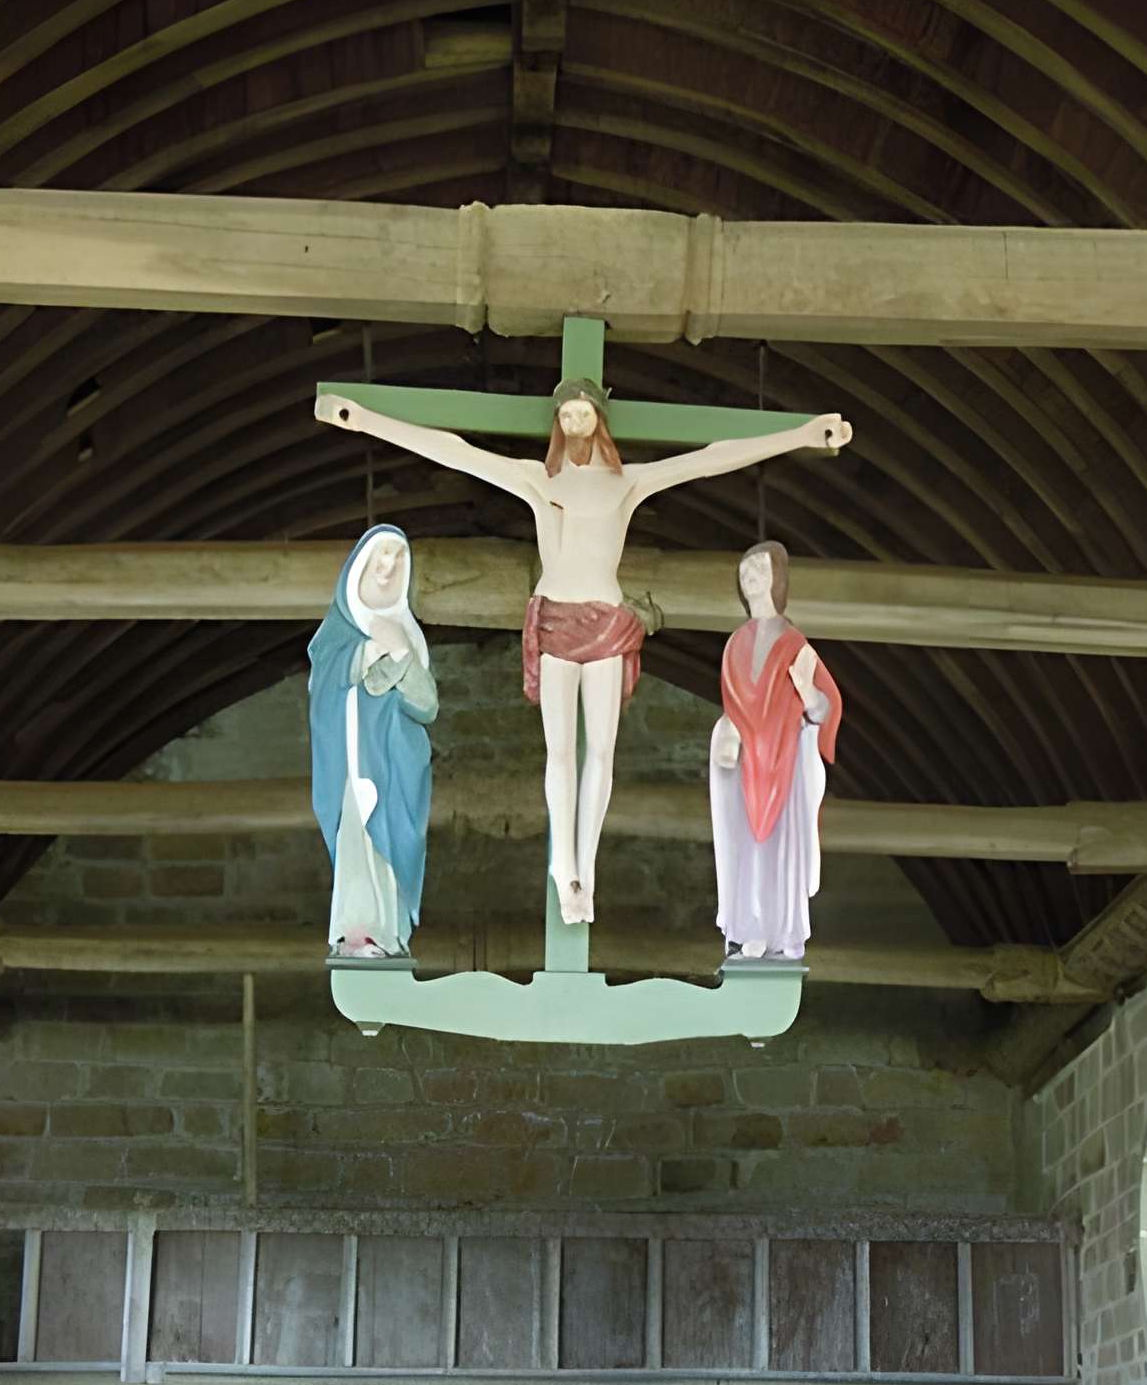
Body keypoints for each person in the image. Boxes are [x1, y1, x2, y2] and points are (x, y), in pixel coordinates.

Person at [317, 381, 847, 923]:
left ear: (599, 420)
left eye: (581, 415)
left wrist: (802, 434)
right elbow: (456, 452)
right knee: (560, 753)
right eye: (565, 417)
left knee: (601, 753)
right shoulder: (537, 477)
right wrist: (365, 420)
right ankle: (562, 863)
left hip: (606, 624)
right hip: (555, 619)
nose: (573, 426)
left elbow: (711, 460)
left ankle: (584, 871)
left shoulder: (626, 482)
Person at [307, 525, 440, 957]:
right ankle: (358, 932)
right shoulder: (337, 636)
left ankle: (386, 932)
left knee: (393, 844)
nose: (386, 571)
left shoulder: (408, 633)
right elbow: (328, 688)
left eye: (395, 562)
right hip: (352, 765)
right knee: (357, 842)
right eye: (378, 561)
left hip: (398, 764)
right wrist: (366, 655)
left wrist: (401, 654)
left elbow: (426, 706)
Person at [709, 540, 841, 961]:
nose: (750, 578)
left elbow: (824, 708)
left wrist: (805, 690)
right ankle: (749, 926)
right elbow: (733, 702)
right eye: (745, 571)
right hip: (747, 763)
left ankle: (781, 929)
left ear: (776, 578)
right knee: (744, 845)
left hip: (784, 758)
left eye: (759, 570)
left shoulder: (795, 643)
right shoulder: (735, 644)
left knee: (781, 847)